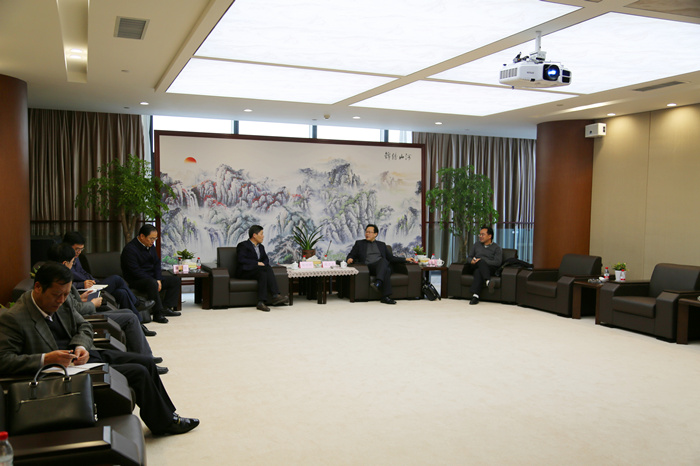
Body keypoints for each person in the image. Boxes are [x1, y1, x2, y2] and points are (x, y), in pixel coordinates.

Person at [0, 262, 199, 435]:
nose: (61, 300)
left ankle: (169, 415)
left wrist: (80, 345)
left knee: (146, 361)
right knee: (138, 372)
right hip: (61, 374)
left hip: (84, 357)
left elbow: (84, 326)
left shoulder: (63, 300)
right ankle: (164, 424)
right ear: (38, 287)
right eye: (56, 295)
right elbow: (4, 361)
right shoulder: (14, 318)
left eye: (66, 294)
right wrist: (46, 358)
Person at [47, 242, 168, 374]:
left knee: (124, 300)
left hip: (85, 306)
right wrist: (92, 304)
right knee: (130, 317)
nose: (73, 264)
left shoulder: (54, 275)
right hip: (85, 316)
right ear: (65, 263)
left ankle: (144, 358)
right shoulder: (59, 283)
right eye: (72, 262)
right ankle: (146, 359)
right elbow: (74, 310)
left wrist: (81, 298)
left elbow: (71, 304)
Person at [63, 231, 156, 336]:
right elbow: (66, 285)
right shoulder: (62, 260)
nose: (79, 252)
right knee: (116, 279)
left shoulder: (75, 257)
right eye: (77, 249)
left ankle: (139, 326)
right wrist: (82, 284)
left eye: (81, 249)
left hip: (92, 287)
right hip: (83, 292)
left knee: (122, 293)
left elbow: (82, 272)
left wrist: (93, 280)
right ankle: (137, 303)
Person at [121, 225, 180, 324]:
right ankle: (158, 313)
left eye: (155, 239)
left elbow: (157, 263)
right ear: (142, 236)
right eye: (151, 238)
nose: (153, 241)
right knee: (152, 283)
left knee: (175, 280)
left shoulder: (150, 246)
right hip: (136, 279)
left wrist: (158, 279)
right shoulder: (130, 249)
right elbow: (135, 271)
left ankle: (166, 307)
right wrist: (155, 280)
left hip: (151, 278)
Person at [346, 224, 416, 304]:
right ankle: (381, 288)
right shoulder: (359, 244)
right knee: (386, 267)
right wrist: (350, 258)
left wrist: (405, 259)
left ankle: (381, 290)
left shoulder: (381, 245)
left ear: (375, 234)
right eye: (366, 232)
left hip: (380, 267)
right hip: (368, 267)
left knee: (385, 266)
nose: (367, 234)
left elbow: (391, 258)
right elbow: (351, 254)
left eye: (369, 232)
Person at [236, 225, 288, 312]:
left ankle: (264, 301)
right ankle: (274, 295)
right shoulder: (243, 245)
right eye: (261, 234)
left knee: (265, 269)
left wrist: (263, 264)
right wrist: (257, 263)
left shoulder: (261, 247)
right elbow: (241, 259)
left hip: (257, 271)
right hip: (245, 271)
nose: (263, 236)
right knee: (263, 270)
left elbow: (266, 259)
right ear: (254, 235)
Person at [465, 226, 503, 305]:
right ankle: (488, 281)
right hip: (474, 265)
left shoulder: (496, 248)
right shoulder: (476, 245)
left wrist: (482, 260)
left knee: (478, 271)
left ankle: (475, 296)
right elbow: (469, 257)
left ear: (489, 236)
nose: (480, 236)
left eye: (483, 234)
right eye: (480, 234)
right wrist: (471, 261)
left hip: (489, 268)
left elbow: (497, 262)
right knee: (479, 265)